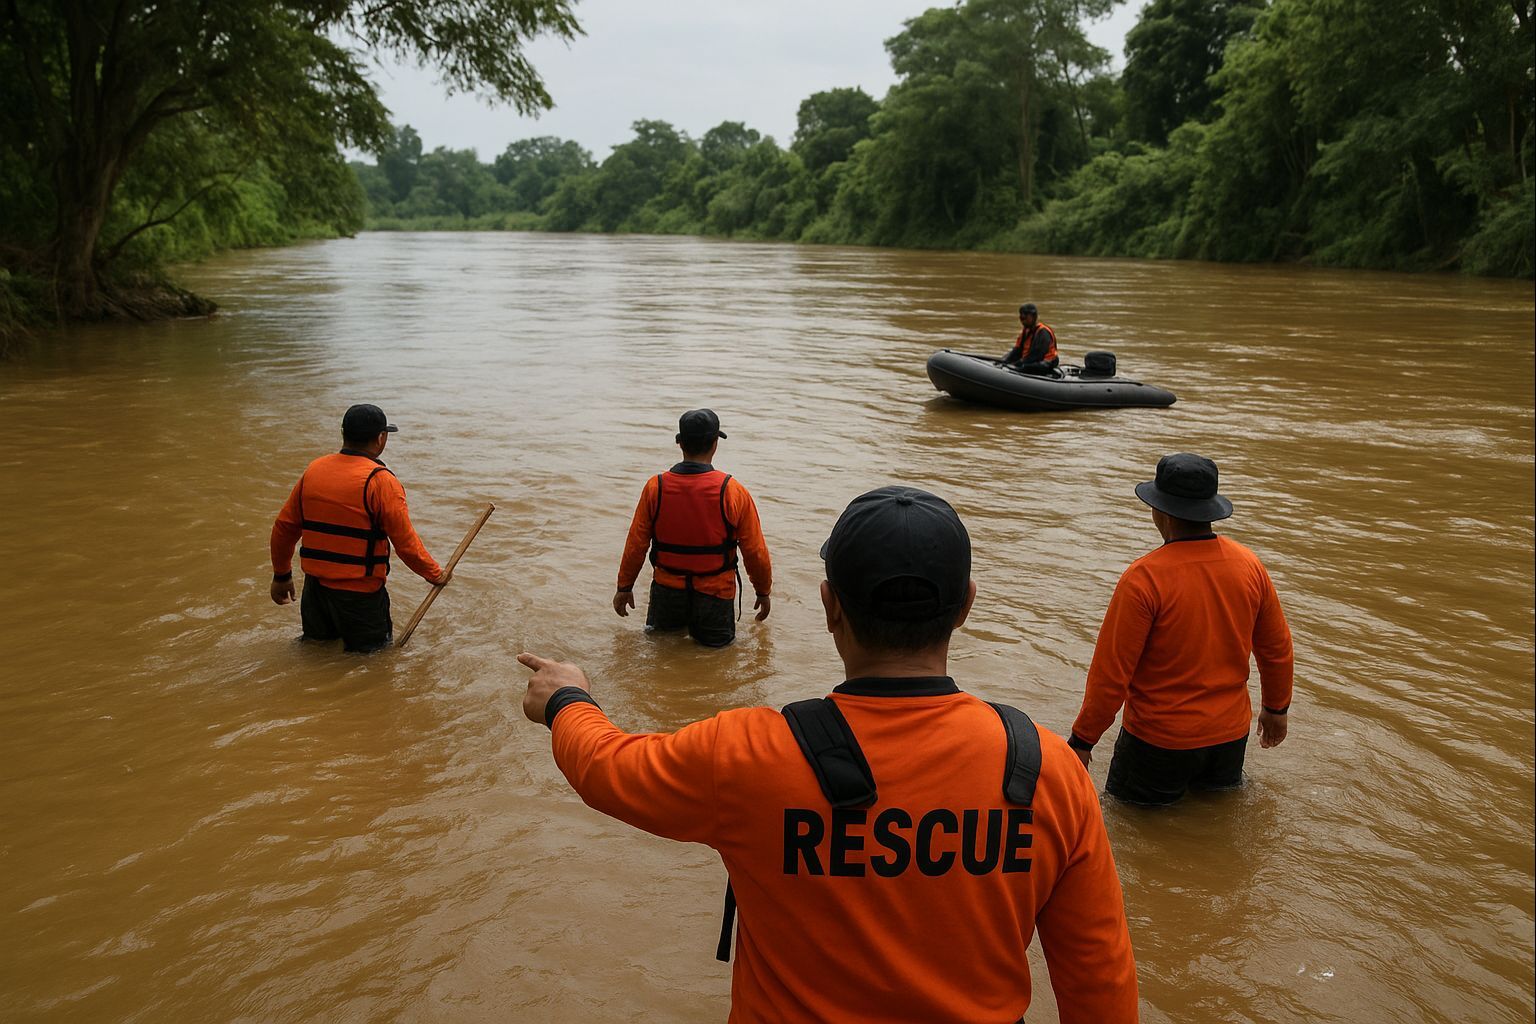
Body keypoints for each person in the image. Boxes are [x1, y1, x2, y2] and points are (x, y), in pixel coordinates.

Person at [523, 486, 1139, 1023]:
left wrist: (567, 700)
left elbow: (607, 769)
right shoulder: (1046, 769)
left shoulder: (749, 755)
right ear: (967, 604)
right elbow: (1099, 983)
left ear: (829, 605)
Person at [1067, 453, 1295, 806]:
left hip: (1158, 744)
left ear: (1161, 512)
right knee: (1215, 824)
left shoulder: (1143, 579)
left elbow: (1112, 675)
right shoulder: (1249, 565)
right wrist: (1276, 709)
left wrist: (1082, 741)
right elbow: (1276, 647)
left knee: (1132, 832)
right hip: (1229, 738)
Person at [269, 403, 449, 652]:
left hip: (315, 593)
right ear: (380, 438)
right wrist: (435, 574)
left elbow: (284, 528)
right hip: (359, 597)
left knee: (316, 652)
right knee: (372, 662)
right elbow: (406, 544)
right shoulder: (381, 481)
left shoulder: (314, 470)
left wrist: (281, 575)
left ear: (344, 433)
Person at [612, 408, 771, 648]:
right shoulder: (732, 491)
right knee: (717, 662)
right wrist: (763, 591)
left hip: (667, 592)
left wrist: (624, 587)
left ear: (680, 443)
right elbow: (755, 550)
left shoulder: (656, 488)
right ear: (715, 443)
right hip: (715, 595)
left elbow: (636, 544)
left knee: (661, 656)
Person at [1002, 302, 1060, 375]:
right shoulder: (1025, 331)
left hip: (1046, 363)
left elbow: (1037, 355)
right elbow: (1016, 350)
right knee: (1010, 360)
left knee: (1026, 367)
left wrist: (1019, 363)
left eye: (1025, 317)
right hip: (1029, 361)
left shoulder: (1043, 332)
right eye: (1021, 317)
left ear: (1033, 316)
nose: (1022, 320)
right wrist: (1004, 360)